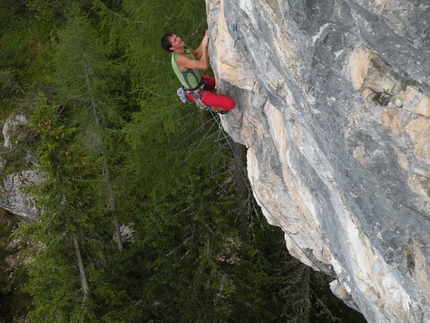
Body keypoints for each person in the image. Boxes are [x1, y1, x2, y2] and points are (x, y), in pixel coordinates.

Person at [161, 31, 235, 113]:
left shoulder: (183, 48)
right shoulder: (179, 59)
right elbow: (204, 66)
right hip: (196, 92)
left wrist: (205, 38)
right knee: (230, 104)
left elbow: (196, 55)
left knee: (211, 82)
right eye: (175, 40)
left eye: (177, 36)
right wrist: (204, 45)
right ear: (172, 48)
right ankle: (214, 107)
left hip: (201, 82)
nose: (179, 39)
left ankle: (214, 99)